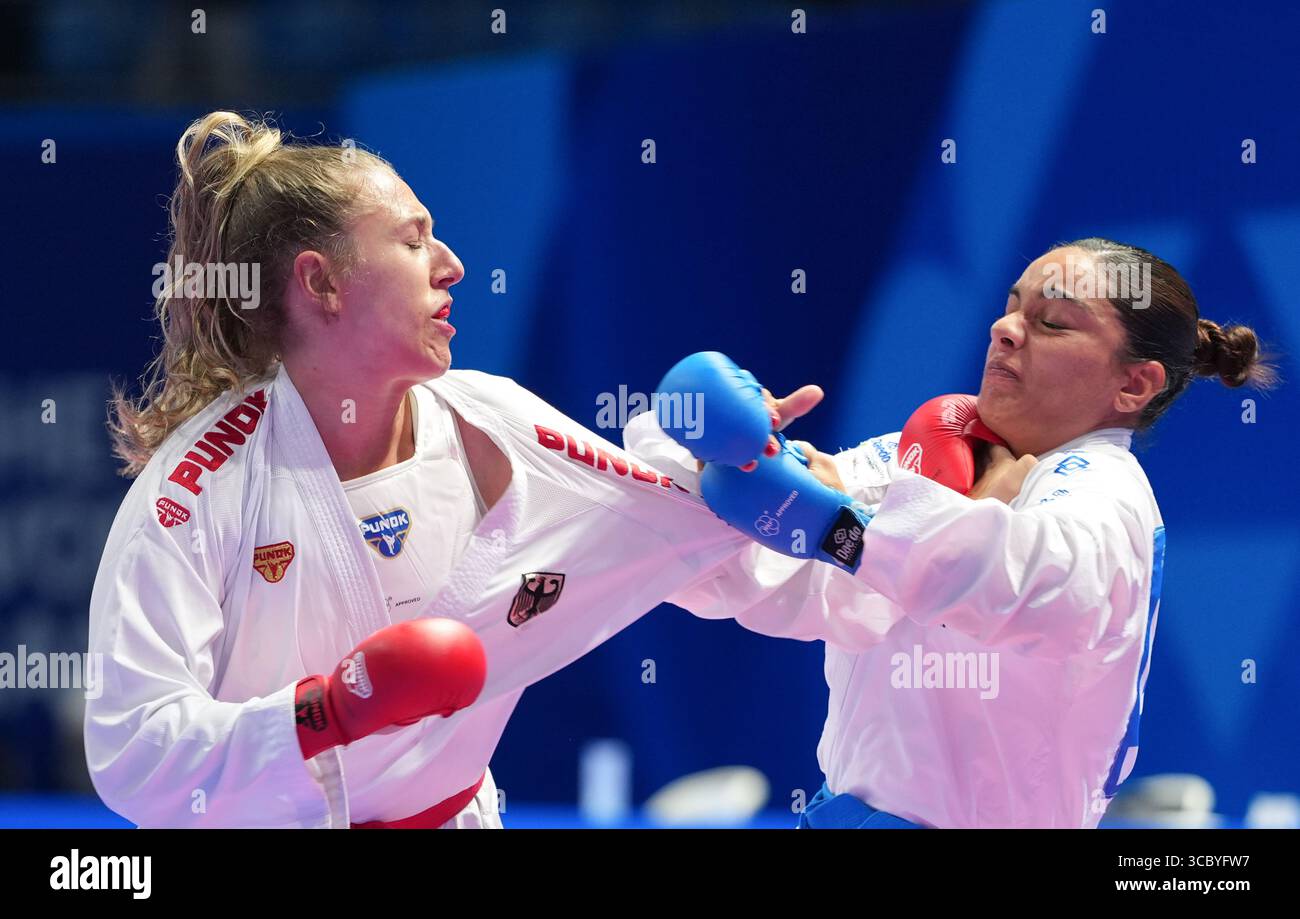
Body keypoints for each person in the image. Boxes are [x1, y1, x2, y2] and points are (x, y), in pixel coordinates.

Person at [86, 112, 871, 828]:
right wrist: (325, 711)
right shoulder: (199, 488)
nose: (453, 264)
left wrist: (775, 477)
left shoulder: (492, 424)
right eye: (413, 238)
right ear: (321, 281)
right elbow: (132, 750)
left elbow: (668, 527)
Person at [628, 238, 1276, 827]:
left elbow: (1034, 591)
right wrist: (717, 444)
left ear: (1134, 383)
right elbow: (745, 575)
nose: (1005, 330)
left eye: (1051, 322)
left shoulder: (1107, 490)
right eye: (1011, 307)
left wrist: (835, 525)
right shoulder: (924, 455)